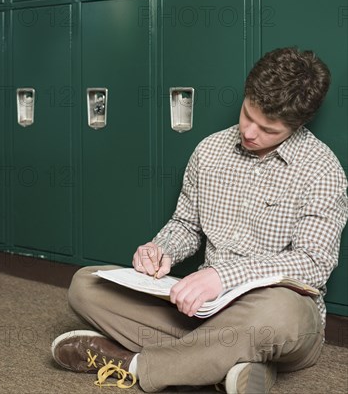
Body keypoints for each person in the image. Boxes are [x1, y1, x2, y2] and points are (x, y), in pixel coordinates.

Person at [51, 47, 348, 393]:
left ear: (297, 125)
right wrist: (161, 249)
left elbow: (313, 263)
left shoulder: (322, 171)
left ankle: (131, 363)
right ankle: (231, 365)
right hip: (199, 310)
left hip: (274, 314)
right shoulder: (209, 151)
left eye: (267, 129)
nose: (250, 132)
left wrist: (223, 277)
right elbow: (185, 225)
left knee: (278, 313)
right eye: (247, 114)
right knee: (86, 285)